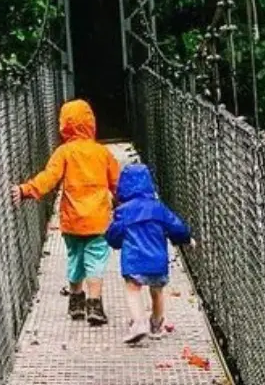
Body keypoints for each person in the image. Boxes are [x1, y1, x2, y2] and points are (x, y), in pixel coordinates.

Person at [11, 99, 121, 326]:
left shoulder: (64, 152)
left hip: (72, 221)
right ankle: (94, 305)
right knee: (96, 263)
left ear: (64, 124)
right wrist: (125, 205)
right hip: (98, 221)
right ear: (91, 123)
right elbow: (117, 184)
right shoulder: (103, 153)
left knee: (75, 260)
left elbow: (48, 178)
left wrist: (26, 190)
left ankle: (75, 302)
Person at [104, 163, 193, 345]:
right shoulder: (158, 208)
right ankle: (156, 325)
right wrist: (186, 238)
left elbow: (115, 233)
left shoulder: (124, 211)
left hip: (134, 260)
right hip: (157, 260)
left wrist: (113, 241)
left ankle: (139, 322)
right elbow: (175, 226)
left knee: (133, 289)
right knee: (157, 291)